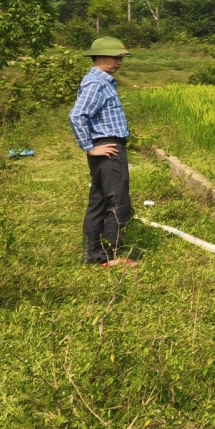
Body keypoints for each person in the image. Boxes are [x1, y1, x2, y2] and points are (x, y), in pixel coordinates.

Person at [68, 37, 137, 268]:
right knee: (118, 202)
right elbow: (77, 115)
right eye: (114, 57)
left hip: (106, 148)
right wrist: (89, 147)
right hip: (107, 148)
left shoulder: (102, 81)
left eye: (121, 58)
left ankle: (95, 255)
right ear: (98, 57)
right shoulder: (96, 82)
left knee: (99, 201)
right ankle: (112, 256)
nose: (119, 62)